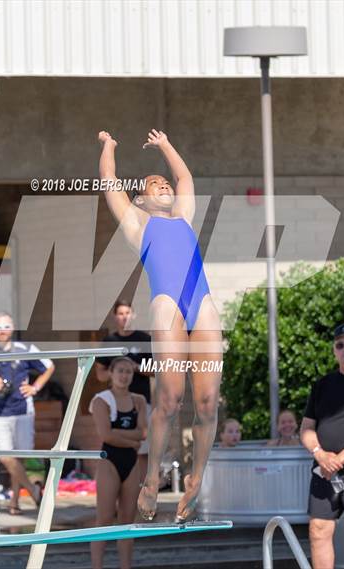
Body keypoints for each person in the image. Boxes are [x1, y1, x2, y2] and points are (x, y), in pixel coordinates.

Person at [98, 129, 223, 522]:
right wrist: (110, 146)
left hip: (201, 303)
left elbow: (185, 179)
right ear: (141, 198)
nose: (164, 185)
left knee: (206, 404)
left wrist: (167, 145)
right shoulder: (138, 223)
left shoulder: (184, 216)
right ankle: (151, 479)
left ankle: (196, 479)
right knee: (170, 400)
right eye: (155, 183)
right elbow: (108, 183)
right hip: (168, 305)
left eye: (164, 182)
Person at [0, 312, 55, 515]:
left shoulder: (25, 348)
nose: (2, 330)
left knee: (20, 457)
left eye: (6, 326)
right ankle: (34, 490)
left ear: (13, 328)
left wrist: (35, 387)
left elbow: (49, 366)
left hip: (22, 410)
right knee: (4, 456)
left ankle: (14, 502)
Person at [300, 322, 344, 569]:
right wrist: (320, 454)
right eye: (340, 345)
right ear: (334, 350)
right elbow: (306, 428)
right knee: (318, 529)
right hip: (323, 469)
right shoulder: (322, 385)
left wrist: (338, 458)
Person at [90, 357, 147, 569]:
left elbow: (143, 432)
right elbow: (106, 435)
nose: (124, 376)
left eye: (128, 372)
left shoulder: (139, 400)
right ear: (111, 374)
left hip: (131, 463)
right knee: (104, 519)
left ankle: (126, 566)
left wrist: (121, 435)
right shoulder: (101, 400)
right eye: (120, 371)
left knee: (127, 522)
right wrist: (131, 439)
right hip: (109, 462)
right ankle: (97, 566)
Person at [95, 299, 154, 482]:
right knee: (116, 446)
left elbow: (155, 370)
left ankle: (142, 492)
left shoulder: (144, 339)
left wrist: (134, 367)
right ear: (115, 317)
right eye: (120, 314)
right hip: (115, 404)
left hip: (141, 402)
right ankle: (122, 491)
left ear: (133, 315)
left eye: (127, 313)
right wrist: (117, 372)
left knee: (143, 450)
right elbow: (100, 374)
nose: (124, 317)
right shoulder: (109, 341)